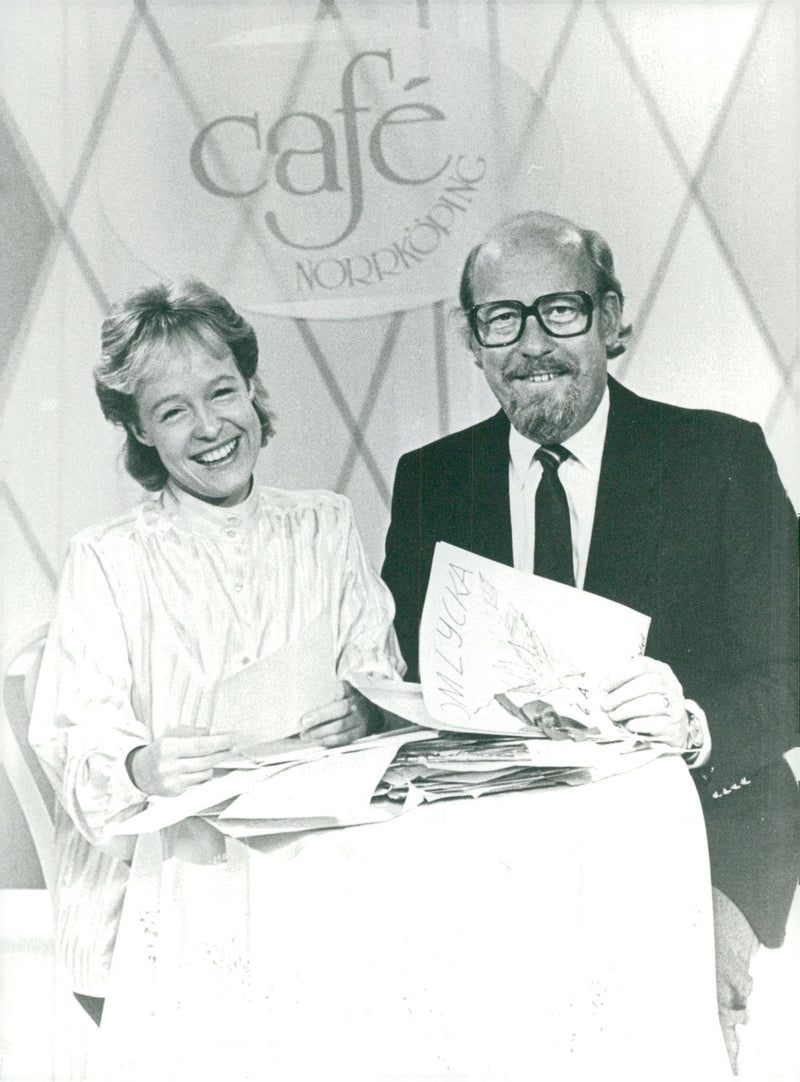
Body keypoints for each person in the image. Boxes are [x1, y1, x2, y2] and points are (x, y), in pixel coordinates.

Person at [382, 211, 800, 1073]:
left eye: (561, 311)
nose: (532, 342)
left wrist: (693, 723)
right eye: (502, 319)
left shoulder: (719, 457)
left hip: (702, 834)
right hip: (496, 865)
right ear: (472, 340)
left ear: (612, 321)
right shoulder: (430, 481)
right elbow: (414, 684)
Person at [29, 278, 404, 1025]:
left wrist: (361, 713)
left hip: (310, 861)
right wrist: (142, 765)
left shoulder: (324, 526)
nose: (210, 427)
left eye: (221, 392)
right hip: (160, 880)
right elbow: (76, 739)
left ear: (252, 390)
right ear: (140, 430)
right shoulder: (107, 559)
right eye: (173, 411)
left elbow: (379, 672)